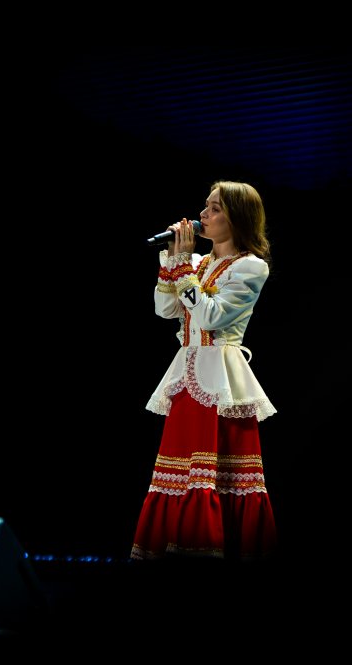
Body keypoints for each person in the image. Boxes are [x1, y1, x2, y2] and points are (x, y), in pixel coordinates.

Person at [131, 180, 277, 561]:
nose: (203, 215)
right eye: (206, 206)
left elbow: (211, 317)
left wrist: (182, 269)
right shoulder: (197, 265)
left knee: (217, 475)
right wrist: (175, 264)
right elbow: (165, 310)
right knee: (179, 473)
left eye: (215, 208)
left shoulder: (250, 267)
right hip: (188, 375)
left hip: (221, 382)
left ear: (237, 218)